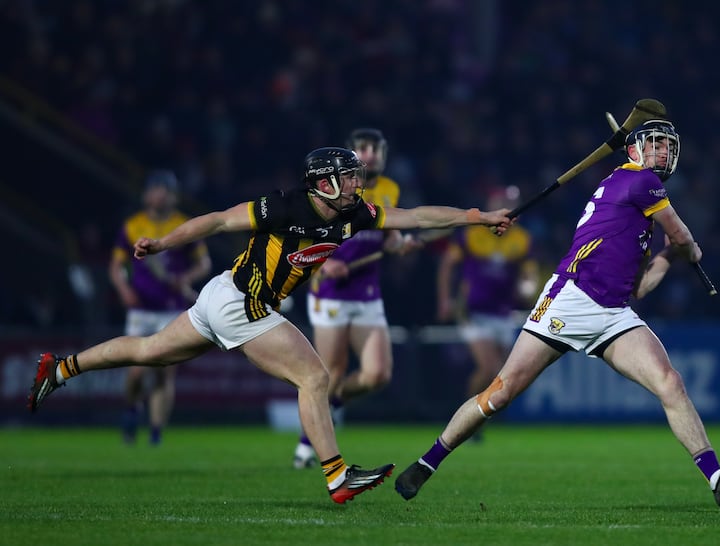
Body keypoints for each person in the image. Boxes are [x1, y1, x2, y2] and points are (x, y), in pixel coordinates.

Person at [28, 146, 512, 504]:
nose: (355, 185)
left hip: (227, 295)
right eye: (346, 178)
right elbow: (217, 222)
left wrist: (476, 216)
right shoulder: (284, 206)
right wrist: (164, 243)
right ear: (322, 183)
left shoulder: (356, 214)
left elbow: (417, 215)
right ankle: (337, 477)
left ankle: (60, 368)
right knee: (316, 377)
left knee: (149, 349)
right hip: (242, 301)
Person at [394, 120, 720, 509]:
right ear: (633, 151)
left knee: (670, 383)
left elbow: (639, 288)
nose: (663, 153)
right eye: (654, 145)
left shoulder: (639, 216)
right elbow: (684, 234)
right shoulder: (638, 181)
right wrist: (689, 248)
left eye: (667, 147)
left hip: (614, 313)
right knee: (500, 393)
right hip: (571, 298)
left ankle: (718, 478)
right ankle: (428, 462)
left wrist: (671, 255)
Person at [293, 128, 421, 468]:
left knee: (377, 374)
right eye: (363, 149)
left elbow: (388, 234)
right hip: (331, 292)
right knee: (330, 371)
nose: (371, 155)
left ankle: (331, 406)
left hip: (367, 292)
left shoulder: (390, 189)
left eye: (376, 148)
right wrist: (325, 264)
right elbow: (306, 233)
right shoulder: (332, 187)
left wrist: (399, 244)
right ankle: (308, 444)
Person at [109, 170, 212, 446]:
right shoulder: (133, 225)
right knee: (136, 371)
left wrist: (185, 279)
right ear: (146, 194)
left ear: (173, 195)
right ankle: (132, 409)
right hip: (141, 309)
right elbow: (116, 267)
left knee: (166, 372)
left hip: (171, 309)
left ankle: (156, 432)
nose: (160, 194)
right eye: (155, 189)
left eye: (165, 190)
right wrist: (124, 290)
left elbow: (204, 263)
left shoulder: (183, 224)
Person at [436, 185, 539, 441]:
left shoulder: (523, 239)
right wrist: (445, 299)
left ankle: (473, 420)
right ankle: (466, 422)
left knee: (499, 374)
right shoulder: (472, 235)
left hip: (503, 312)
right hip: (472, 311)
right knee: (488, 367)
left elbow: (530, 273)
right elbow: (448, 266)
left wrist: (529, 287)